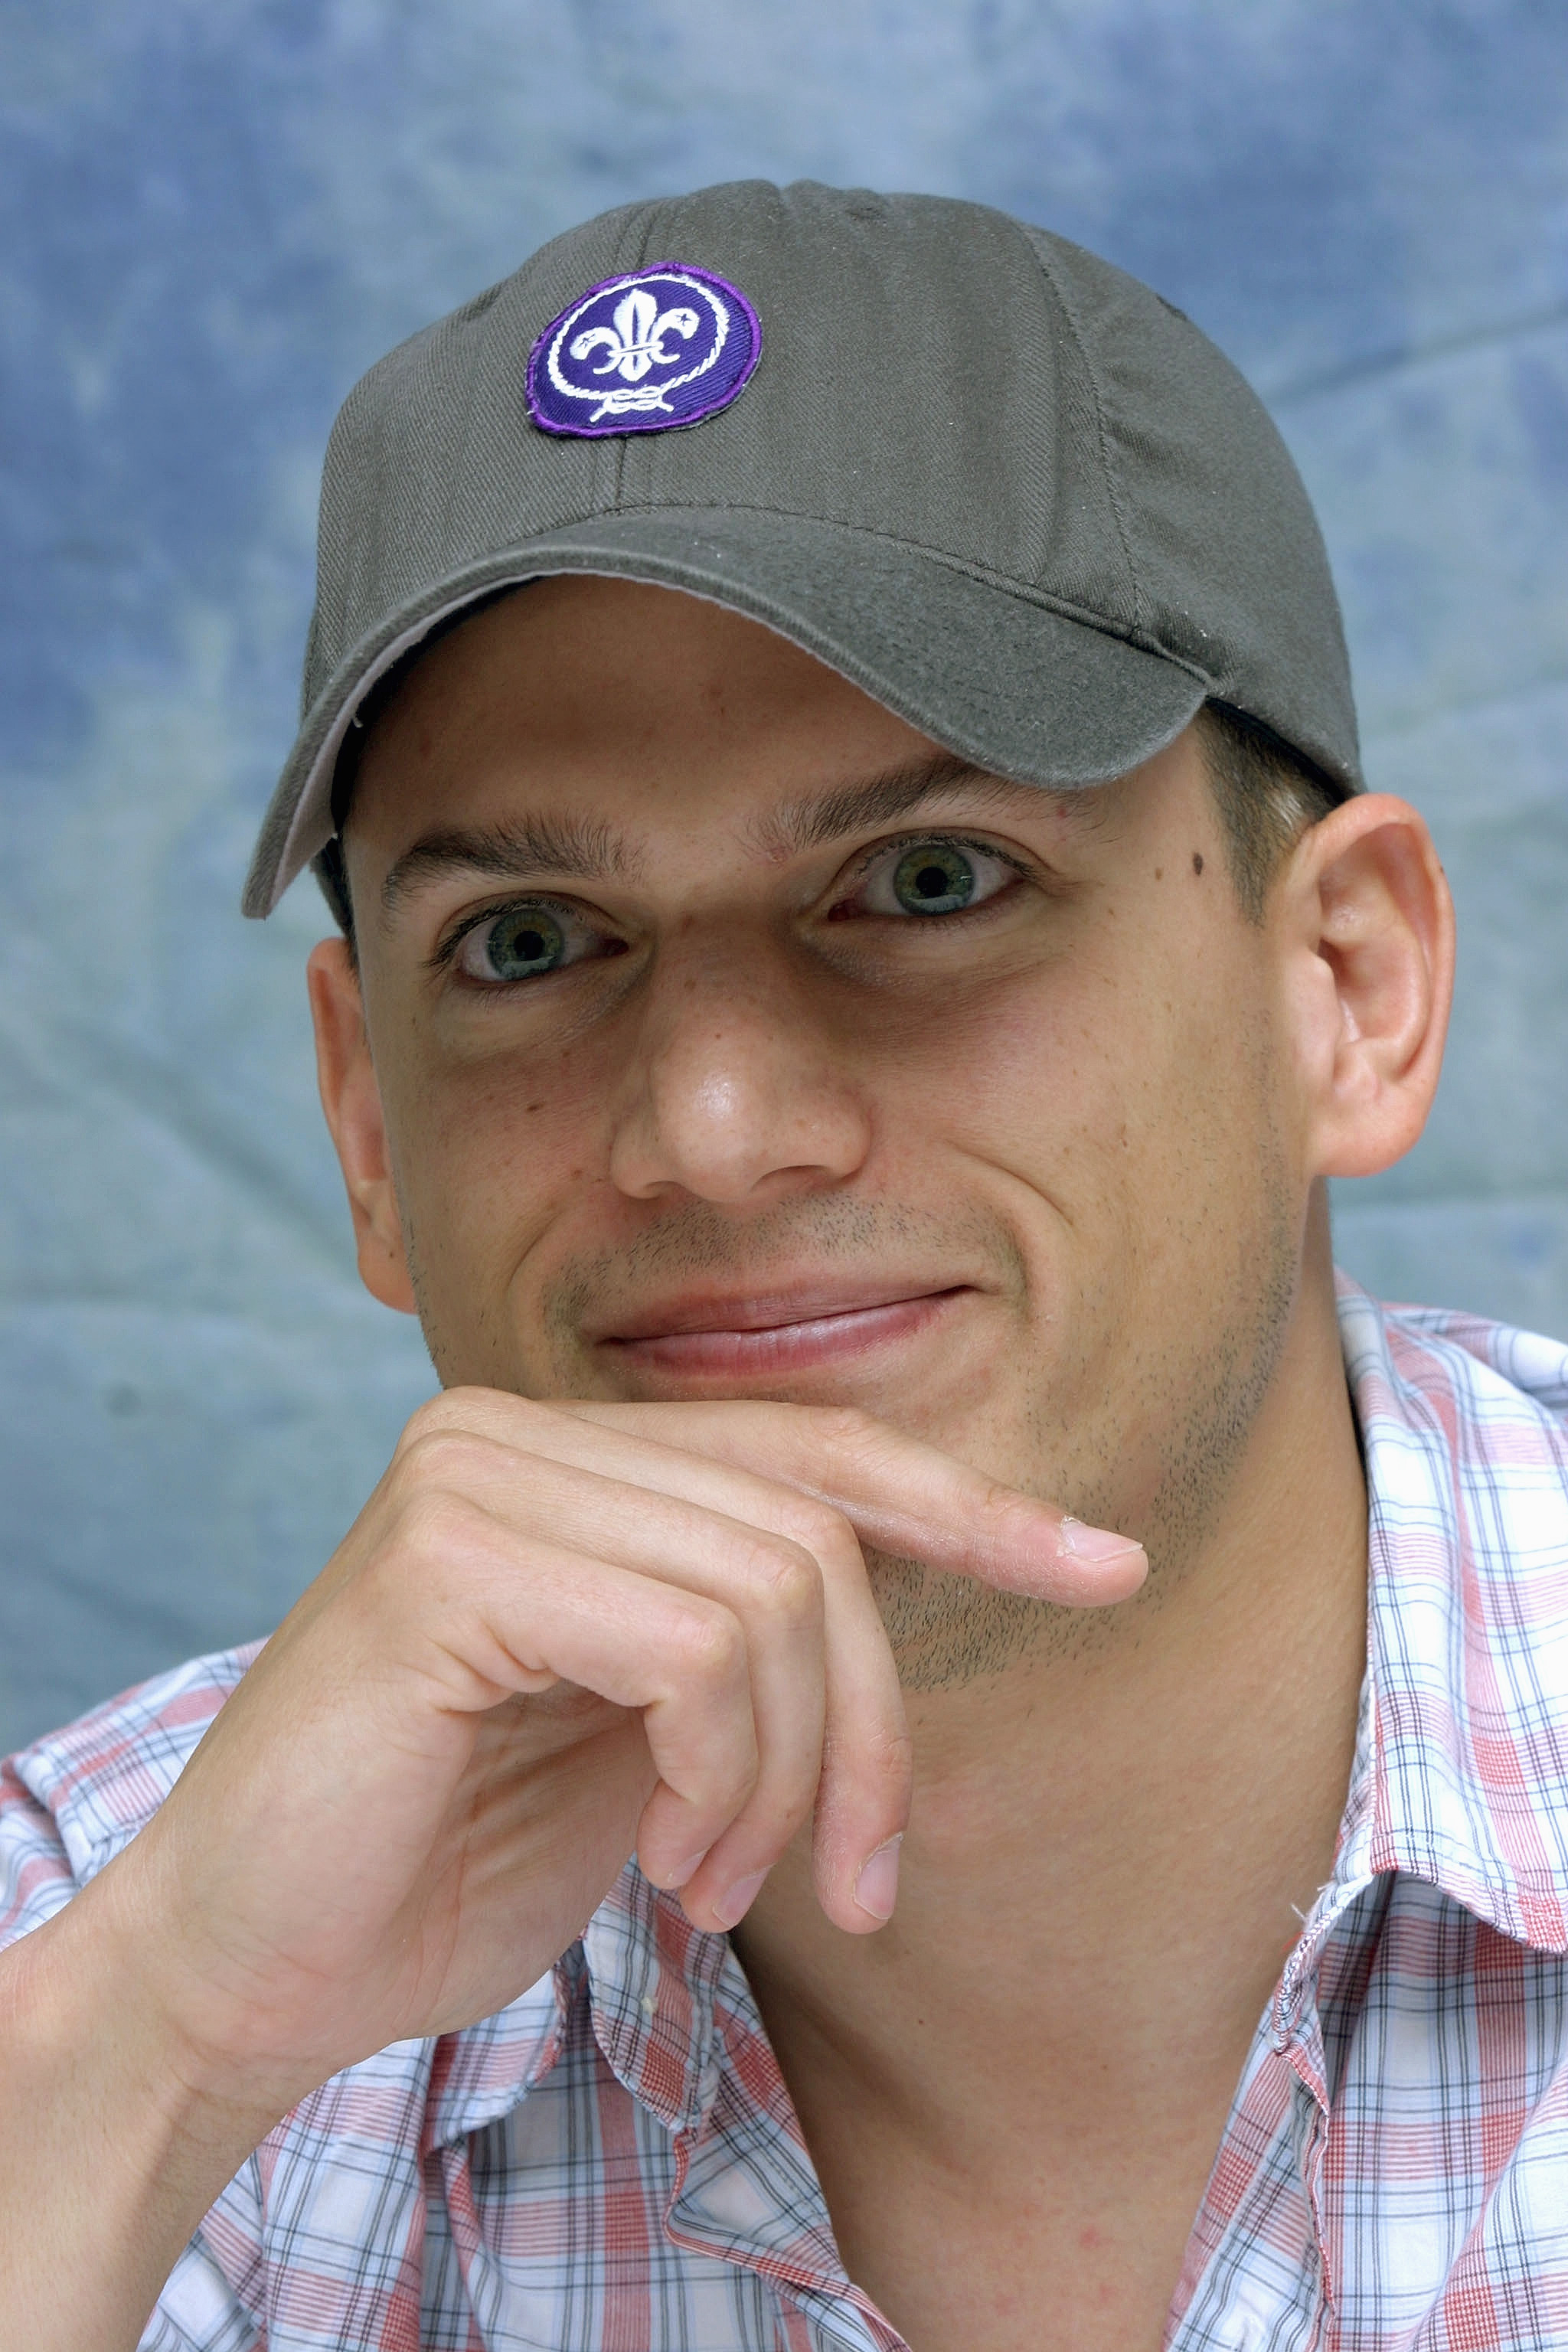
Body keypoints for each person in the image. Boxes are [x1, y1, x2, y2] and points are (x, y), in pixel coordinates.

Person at [3, 178, 1566, 2352]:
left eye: (930, 880)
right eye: (528, 946)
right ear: (372, 1131)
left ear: (1347, 987)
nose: (714, 1131)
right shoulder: (101, 1946)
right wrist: (155, 2047)